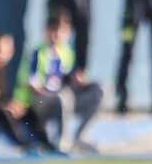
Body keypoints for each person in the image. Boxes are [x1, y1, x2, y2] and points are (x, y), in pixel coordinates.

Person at [16, 12, 104, 153]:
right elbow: (30, 81)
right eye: (54, 30)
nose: (58, 35)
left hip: (63, 98)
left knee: (98, 90)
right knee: (62, 98)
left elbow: (68, 78)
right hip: (41, 101)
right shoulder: (38, 53)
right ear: (47, 31)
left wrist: (78, 81)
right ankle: (61, 142)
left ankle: (78, 137)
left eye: (62, 31)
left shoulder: (67, 52)